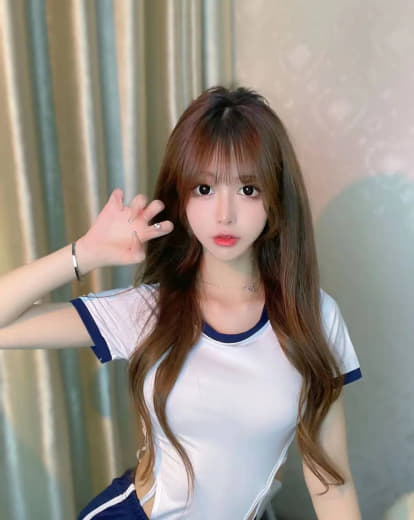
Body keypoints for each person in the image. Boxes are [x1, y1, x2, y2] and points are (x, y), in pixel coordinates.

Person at [0, 86, 363, 520]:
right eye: (204, 188)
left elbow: (332, 486)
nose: (224, 214)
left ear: (276, 198)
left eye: (248, 189)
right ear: (181, 196)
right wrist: (85, 254)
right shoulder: (149, 311)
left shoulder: (314, 318)